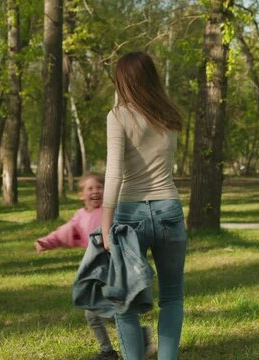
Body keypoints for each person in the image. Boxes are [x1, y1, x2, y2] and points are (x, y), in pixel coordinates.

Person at [102, 51, 188, 360]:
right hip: (168, 210)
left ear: (123, 81)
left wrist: (104, 223)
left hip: (130, 214)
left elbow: (113, 172)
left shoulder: (118, 116)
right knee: (172, 296)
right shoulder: (169, 115)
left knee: (124, 301)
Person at [35, 174, 153, 360]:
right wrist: (46, 242)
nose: (95, 191)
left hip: (115, 269)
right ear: (82, 195)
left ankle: (136, 337)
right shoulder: (80, 216)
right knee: (93, 313)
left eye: (99, 187)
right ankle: (110, 349)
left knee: (112, 309)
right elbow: (65, 231)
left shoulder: (110, 211)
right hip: (96, 272)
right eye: (90, 189)